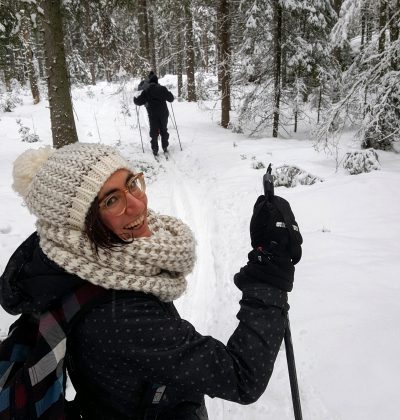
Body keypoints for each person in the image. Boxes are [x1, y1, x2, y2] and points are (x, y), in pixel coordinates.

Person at [0, 142, 302, 419]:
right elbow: (242, 377)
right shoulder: (121, 317)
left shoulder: (66, 264)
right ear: (79, 226)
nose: (137, 204)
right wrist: (270, 272)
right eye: (111, 201)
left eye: (131, 183)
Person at [134, 73, 174, 156]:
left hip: (153, 114)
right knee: (164, 130)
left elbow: (139, 102)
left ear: (150, 82)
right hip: (163, 113)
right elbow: (171, 99)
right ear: (157, 81)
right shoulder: (162, 88)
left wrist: (135, 98)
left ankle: (155, 149)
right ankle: (165, 147)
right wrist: (168, 93)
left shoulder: (147, 90)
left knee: (154, 131)